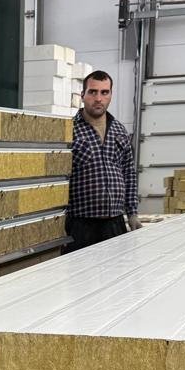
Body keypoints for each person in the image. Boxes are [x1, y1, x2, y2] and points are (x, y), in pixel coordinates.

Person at [65, 70, 139, 253]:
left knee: (117, 269)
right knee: (80, 271)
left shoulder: (119, 130)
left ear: (111, 95)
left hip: (115, 224)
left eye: (104, 92)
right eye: (93, 92)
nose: (98, 98)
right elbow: (59, 179)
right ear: (83, 95)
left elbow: (129, 173)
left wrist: (132, 214)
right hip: (80, 226)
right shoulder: (69, 131)